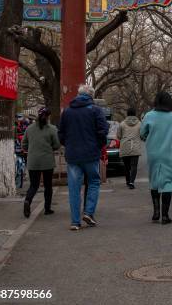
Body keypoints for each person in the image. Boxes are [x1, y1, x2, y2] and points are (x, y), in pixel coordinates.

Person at [59, 85, 109, 231]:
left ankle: (75, 222)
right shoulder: (95, 110)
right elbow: (103, 130)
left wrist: (68, 145)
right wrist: (98, 146)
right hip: (91, 154)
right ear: (91, 96)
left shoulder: (67, 112)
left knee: (74, 188)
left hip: (73, 155)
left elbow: (61, 133)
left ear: (78, 94)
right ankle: (88, 212)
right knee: (94, 181)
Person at [140, 91, 172, 224]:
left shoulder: (148, 115)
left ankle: (156, 213)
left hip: (153, 152)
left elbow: (142, 134)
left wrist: (150, 136)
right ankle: (165, 215)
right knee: (168, 182)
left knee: (154, 180)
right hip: (168, 154)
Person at [22, 107, 60, 218]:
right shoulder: (52, 129)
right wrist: (49, 149)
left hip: (33, 161)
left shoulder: (29, 128)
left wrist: (31, 150)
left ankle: (27, 201)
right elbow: (57, 145)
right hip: (47, 161)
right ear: (48, 117)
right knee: (48, 185)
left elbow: (24, 144)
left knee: (34, 185)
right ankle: (47, 209)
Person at [117, 108, 142, 189]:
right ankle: (132, 182)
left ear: (127, 114)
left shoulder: (122, 124)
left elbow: (119, 136)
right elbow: (142, 135)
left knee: (126, 166)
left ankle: (127, 181)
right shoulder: (139, 124)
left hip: (124, 146)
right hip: (135, 147)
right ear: (135, 114)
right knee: (134, 166)